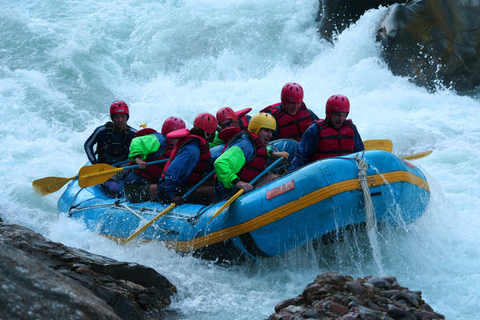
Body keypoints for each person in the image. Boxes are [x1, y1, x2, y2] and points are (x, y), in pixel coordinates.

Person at [214, 112, 288, 201]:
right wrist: (238, 183)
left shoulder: (253, 142)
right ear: (256, 129)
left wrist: (272, 153)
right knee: (274, 179)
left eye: (271, 131)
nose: (270, 135)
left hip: (244, 184)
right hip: (229, 191)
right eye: (266, 130)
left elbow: (257, 150)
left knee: (274, 177)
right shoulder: (244, 145)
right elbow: (220, 163)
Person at [289, 94, 365, 171]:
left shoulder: (352, 129)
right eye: (338, 115)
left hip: (346, 173)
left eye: (344, 115)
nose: (341, 119)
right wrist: (290, 175)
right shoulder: (314, 130)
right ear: (329, 113)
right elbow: (301, 157)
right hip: (322, 175)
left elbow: (361, 154)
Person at [156, 112, 218, 206]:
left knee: (216, 184)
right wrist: (172, 195)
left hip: (181, 185)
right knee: (211, 191)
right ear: (207, 133)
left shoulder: (197, 144)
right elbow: (173, 171)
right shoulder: (192, 150)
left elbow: (206, 164)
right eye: (214, 132)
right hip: (168, 189)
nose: (215, 134)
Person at [124, 117, 186, 203]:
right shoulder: (159, 139)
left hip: (151, 185)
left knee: (175, 189)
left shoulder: (180, 148)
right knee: (170, 191)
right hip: (134, 188)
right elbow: (136, 141)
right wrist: (138, 159)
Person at [84, 100, 137, 198]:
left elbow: (140, 151)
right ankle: (111, 184)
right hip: (104, 168)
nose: (120, 120)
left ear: (127, 117)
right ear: (112, 118)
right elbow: (88, 145)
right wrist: (95, 164)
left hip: (122, 167)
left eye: (123, 116)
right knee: (113, 189)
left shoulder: (133, 134)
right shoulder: (102, 131)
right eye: (116, 117)